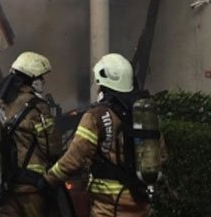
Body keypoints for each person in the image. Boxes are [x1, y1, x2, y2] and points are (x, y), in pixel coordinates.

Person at [43, 53, 163, 217]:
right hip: (140, 201)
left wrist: (48, 179)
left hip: (109, 206)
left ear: (103, 85)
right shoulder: (144, 114)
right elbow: (162, 155)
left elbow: (74, 158)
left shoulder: (96, 115)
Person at [0, 51, 61, 217]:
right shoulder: (38, 106)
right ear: (31, 79)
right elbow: (52, 148)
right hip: (31, 185)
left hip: (6, 185)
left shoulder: (1, 107)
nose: (43, 81)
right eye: (40, 77)